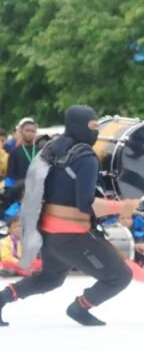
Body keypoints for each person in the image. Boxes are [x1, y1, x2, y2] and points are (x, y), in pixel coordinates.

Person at [0, 106, 137, 327]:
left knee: (49, 279)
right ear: (79, 126)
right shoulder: (86, 157)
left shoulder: (50, 149)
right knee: (120, 276)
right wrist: (122, 206)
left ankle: (1, 299)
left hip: (46, 230)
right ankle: (80, 307)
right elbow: (86, 204)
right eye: (91, 127)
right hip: (71, 234)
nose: (95, 133)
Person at [6, 118, 38, 185]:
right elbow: (10, 177)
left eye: (33, 131)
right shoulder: (14, 152)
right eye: (27, 130)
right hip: (20, 190)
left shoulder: (41, 151)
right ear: (21, 131)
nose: (30, 133)